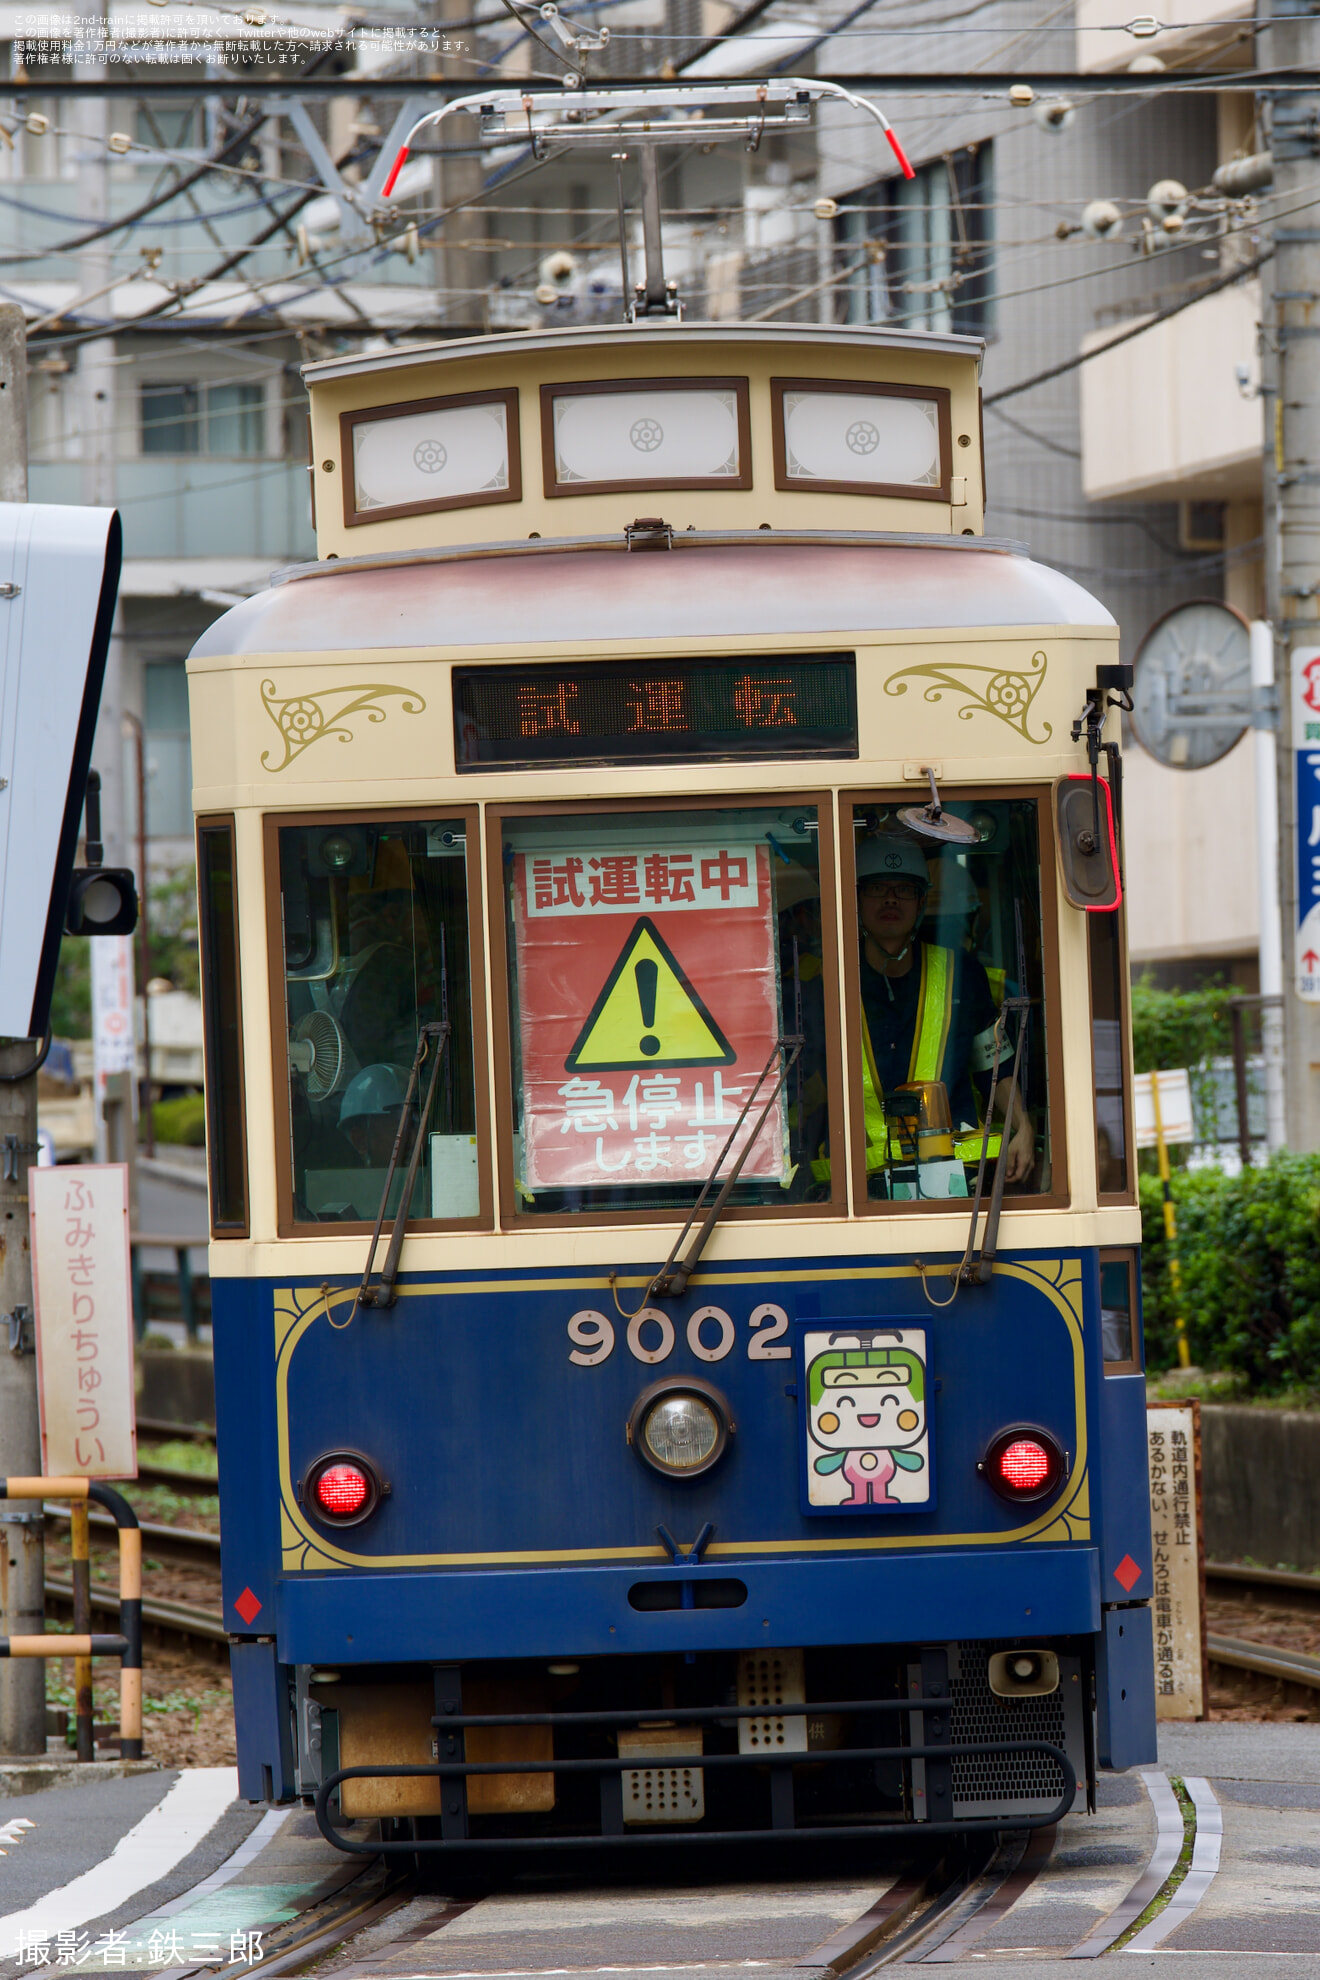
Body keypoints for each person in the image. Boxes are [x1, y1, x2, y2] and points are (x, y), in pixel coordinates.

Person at [854, 835, 1035, 1190]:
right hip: (857, 1190)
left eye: (905, 890)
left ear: (922, 903)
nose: (891, 899)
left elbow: (993, 1069)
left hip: (952, 1185)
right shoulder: (826, 982)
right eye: (877, 888)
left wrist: (1023, 1127)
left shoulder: (962, 973)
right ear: (855, 899)